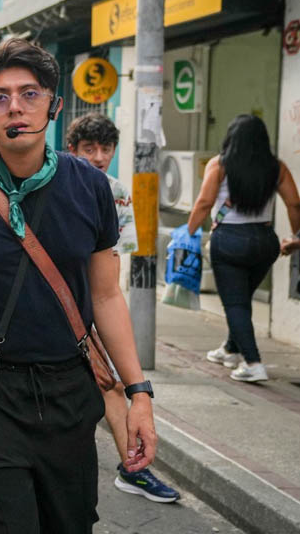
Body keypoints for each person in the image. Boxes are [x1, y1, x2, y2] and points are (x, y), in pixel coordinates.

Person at [0, 39, 158, 533]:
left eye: (29, 94)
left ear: (54, 104)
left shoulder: (90, 188)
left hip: (68, 395)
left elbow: (106, 296)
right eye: (0, 97)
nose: (15, 108)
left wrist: (139, 393)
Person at [66, 113, 179, 503]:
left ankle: (134, 469)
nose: (99, 157)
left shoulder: (115, 193)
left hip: (89, 312)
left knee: (112, 386)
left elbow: (112, 270)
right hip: (50, 310)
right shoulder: (52, 185)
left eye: (106, 149)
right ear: (72, 150)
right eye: (89, 149)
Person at [189, 114, 300, 383]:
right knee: (240, 298)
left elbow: (204, 203)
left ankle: (253, 363)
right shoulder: (276, 168)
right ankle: (230, 349)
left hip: (229, 241)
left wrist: (188, 232)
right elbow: (294, 204)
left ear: (231, 138)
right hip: (265, 241)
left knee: (235, 302)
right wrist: (296, 235)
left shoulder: (220, 165)